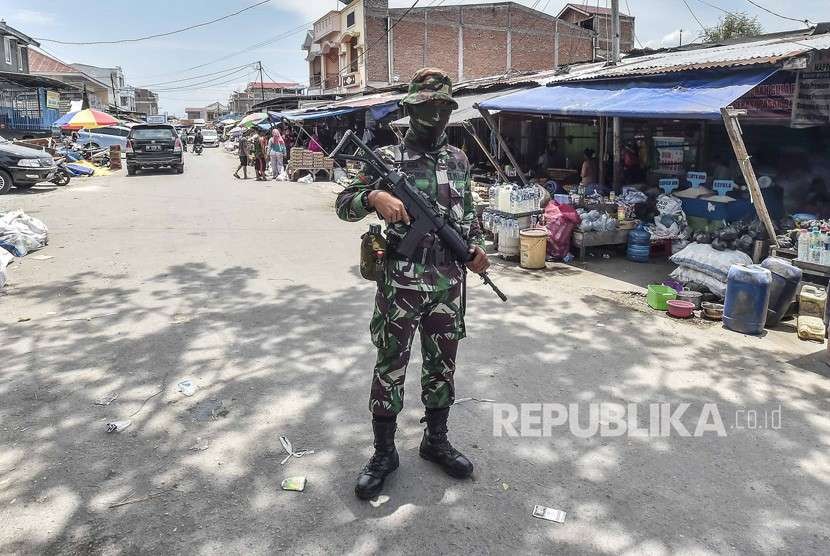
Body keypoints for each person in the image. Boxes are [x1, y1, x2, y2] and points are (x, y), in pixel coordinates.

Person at [336, 68, 488, 501]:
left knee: (443, 365)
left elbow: (468, 216)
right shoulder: (385, 159)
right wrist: (373, 197)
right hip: (400, 283)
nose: (435, 115)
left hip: (448, 284)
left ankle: (435, 441)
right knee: (390, 367)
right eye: (425, 107)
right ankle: (384, 453)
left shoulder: (459, 159)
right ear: (408, 109)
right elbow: (343, 204)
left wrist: (476, 249)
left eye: (442, 107)